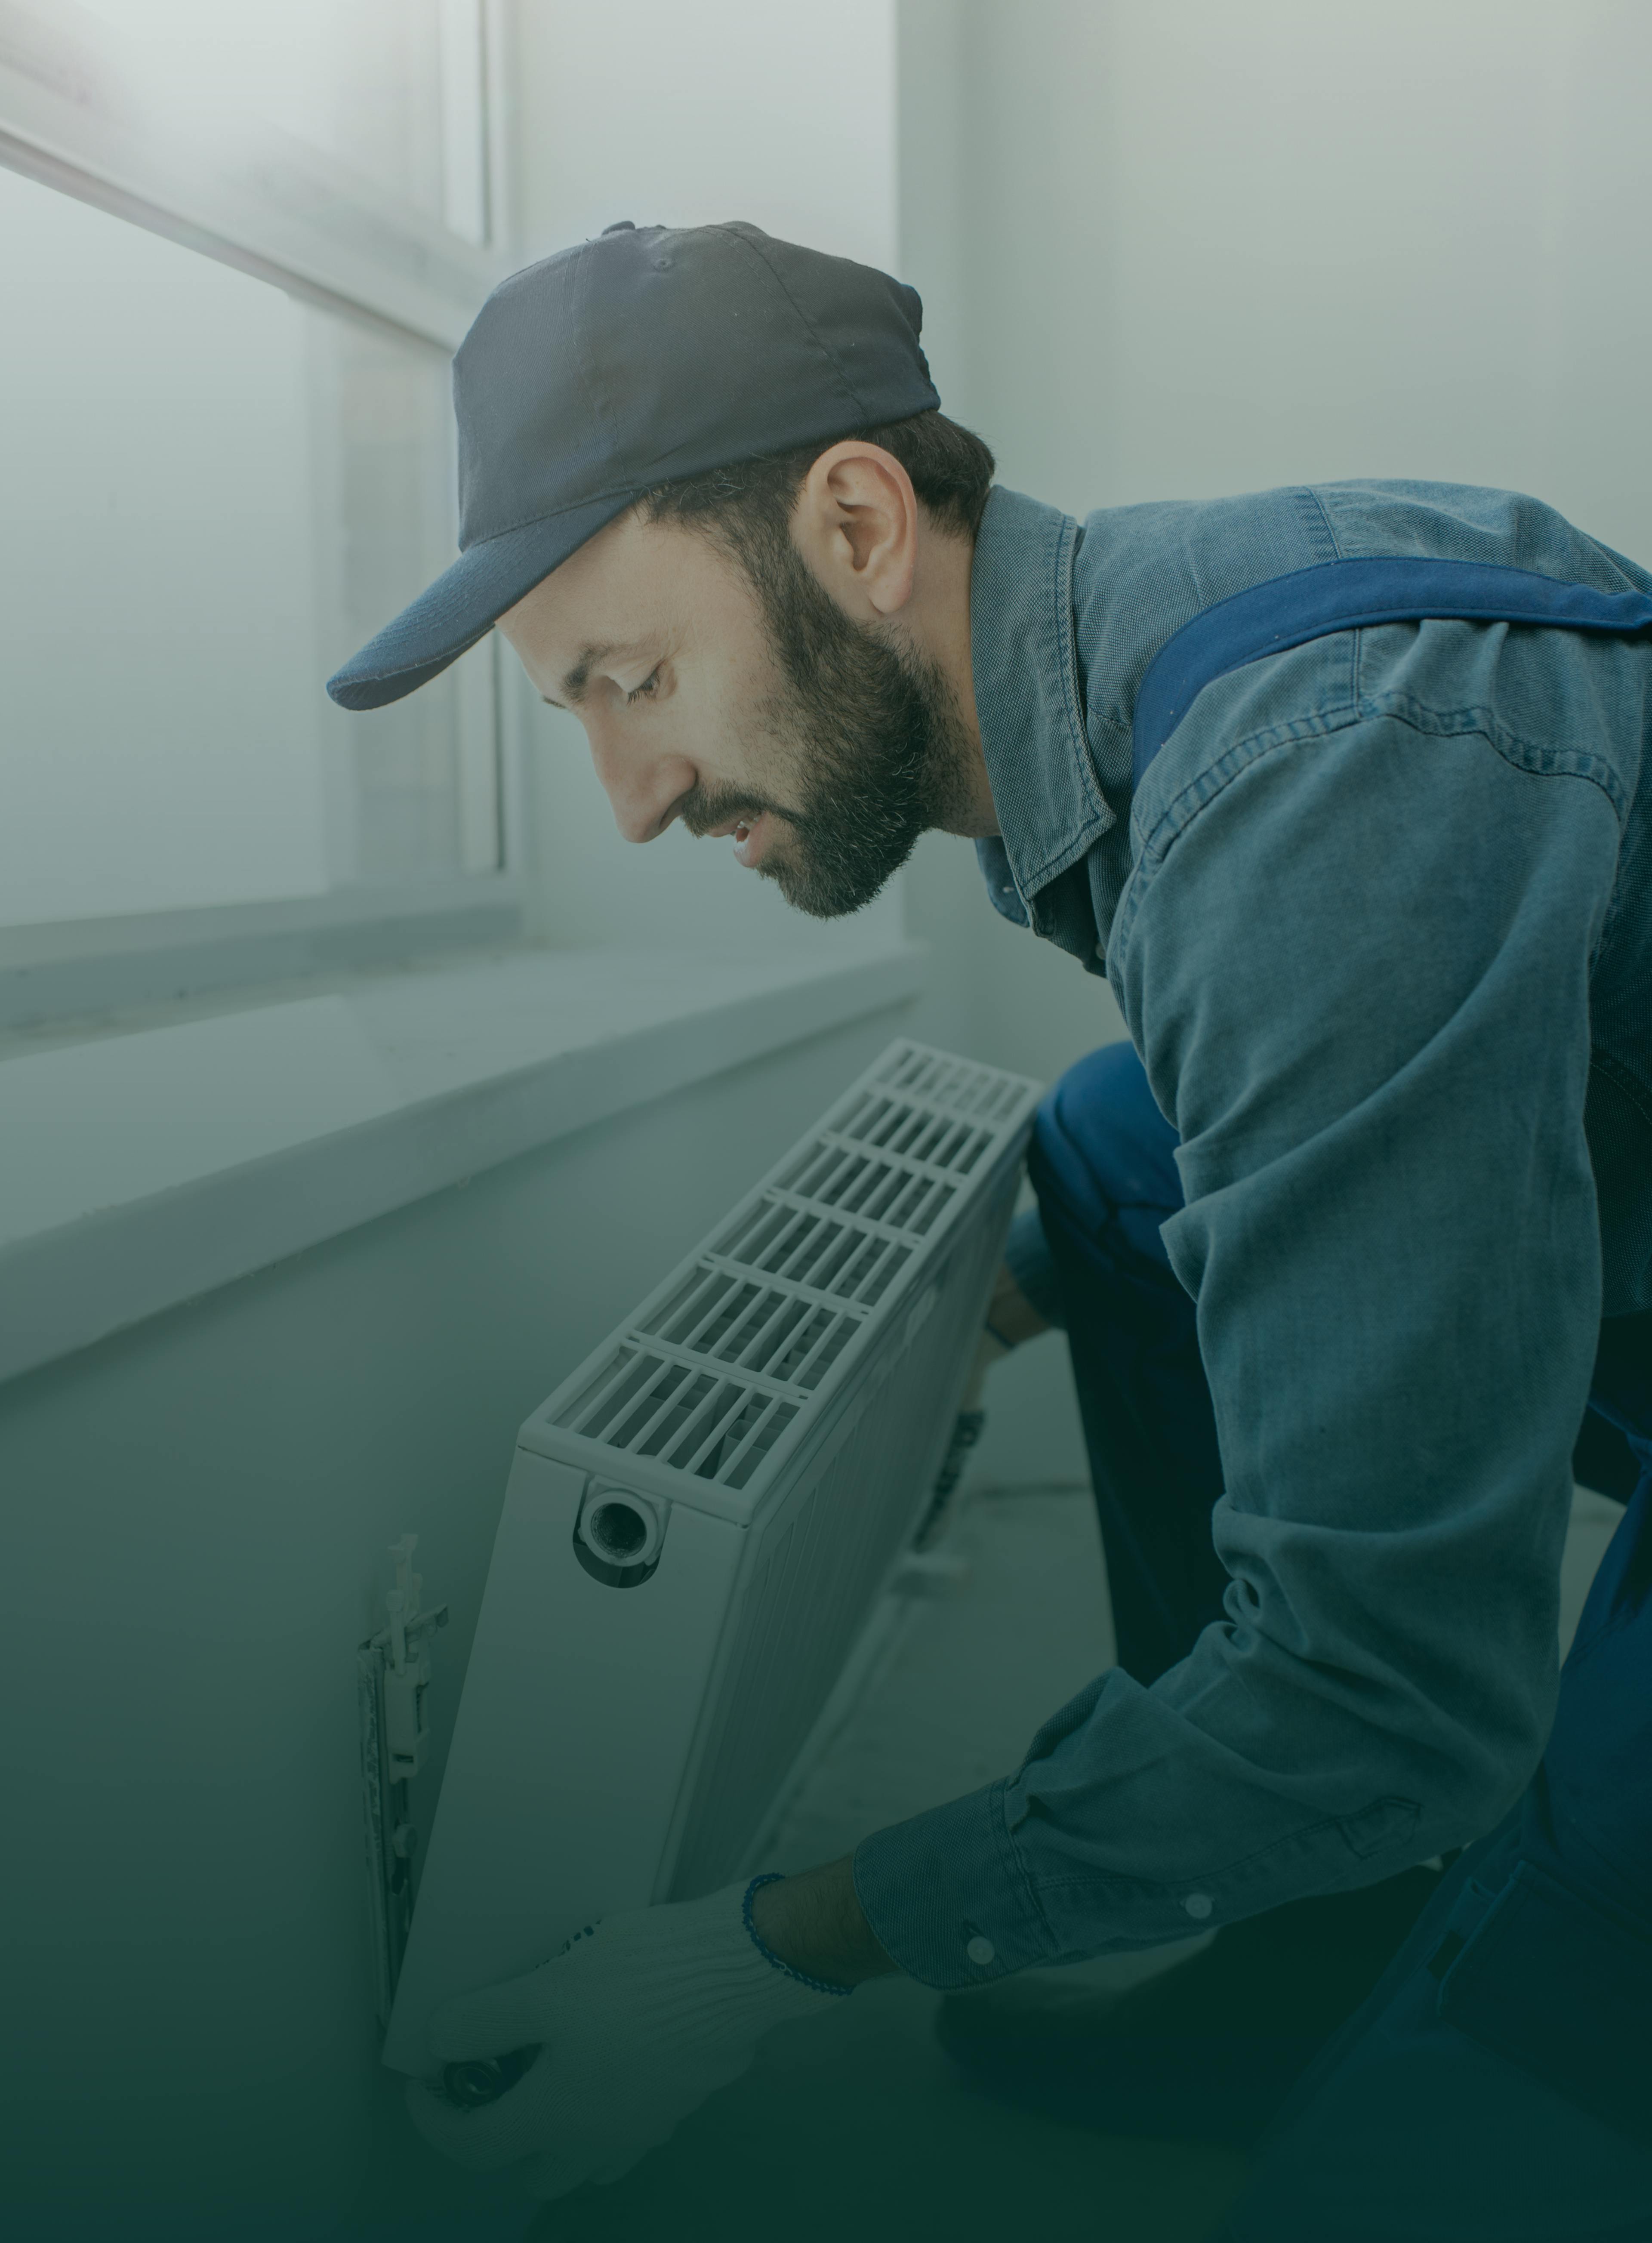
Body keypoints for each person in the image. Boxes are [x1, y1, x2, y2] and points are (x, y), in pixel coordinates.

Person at [327, 222, 1652, 2238]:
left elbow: (1402, 1687)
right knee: (1119, 1154)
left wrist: (770, 1949)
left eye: (638, 679)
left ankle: (1348, 1876)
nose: (624, 794)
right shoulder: (1175, 665)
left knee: (1430, 2150)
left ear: (857, 522)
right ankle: (1308, 1930)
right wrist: (955, 1338)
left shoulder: (1312, 791)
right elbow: (1213, 1129)